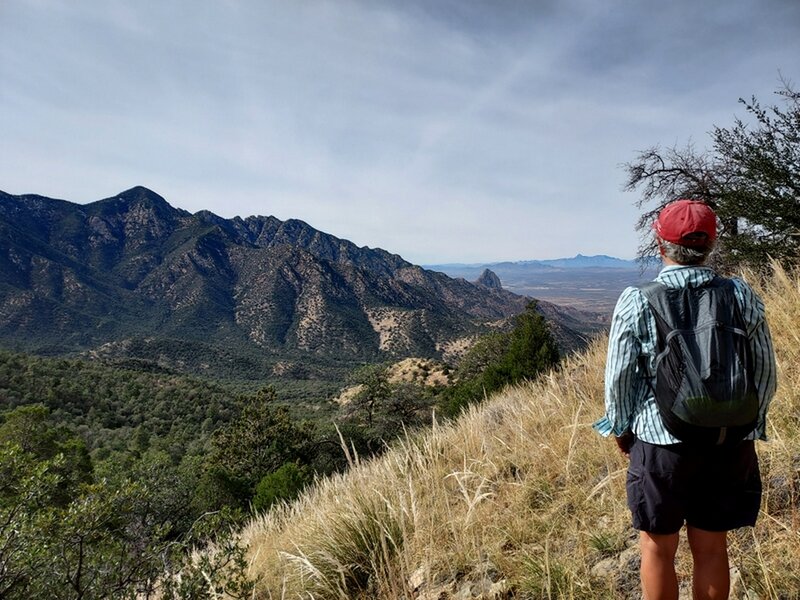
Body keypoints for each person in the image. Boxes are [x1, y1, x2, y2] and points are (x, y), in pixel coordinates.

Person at [593, 199, 777, 600]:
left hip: (662, 444)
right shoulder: (740, 294)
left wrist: (621, 428)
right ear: (710, 244)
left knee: (657, 548)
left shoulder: (637, 298)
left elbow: (620, 376)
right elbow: (764, 369)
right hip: (731, 440)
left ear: (661, 244)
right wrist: (751, 424)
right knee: (711, 547)